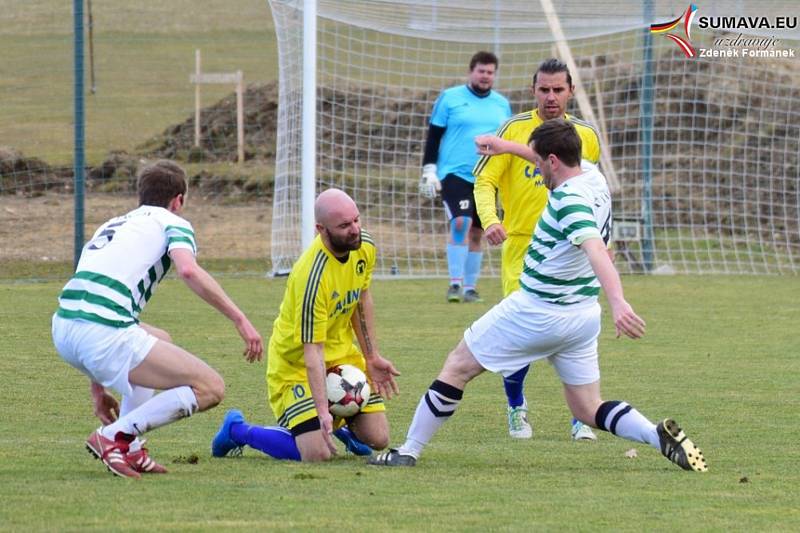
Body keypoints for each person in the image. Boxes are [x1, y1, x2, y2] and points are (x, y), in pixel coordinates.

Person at [369, 119, 708, 473]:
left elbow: (595, 249)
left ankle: (407, 451)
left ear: (553, 161)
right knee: (588, 408)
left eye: (540, 163)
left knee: (457, 367)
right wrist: (505, 148)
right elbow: (540, 157)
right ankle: (658, 436)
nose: (536, 170)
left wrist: (620, 301)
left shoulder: (568, 201)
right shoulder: (592, 176)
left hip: (536, 311)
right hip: (581, 316)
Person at [51, 160, 264, 479]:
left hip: (64, 327)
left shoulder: (111, 224)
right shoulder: (172, 222)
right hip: (102, 332)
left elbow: (91, 297)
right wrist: (240, 319)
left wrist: (98, 392)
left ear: (141, 195)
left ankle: (131, 446)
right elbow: (188, 269)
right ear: (178, 200)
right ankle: (116, 436)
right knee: (211, 388)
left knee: (159, 338)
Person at [211, 188, 400, 462]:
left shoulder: (364, 246)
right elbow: (313, 352)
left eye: (356, 220)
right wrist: (323, 411)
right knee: (316, 454)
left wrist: (371, 357)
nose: (355, 230)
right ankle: (238, 430)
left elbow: (361, 299)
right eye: (345, 225)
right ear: (321, 229)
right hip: (296, 366)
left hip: (342, 357)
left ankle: (340, 430)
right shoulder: (312, 276)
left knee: (378, 438)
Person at [473, 58, 601, 441]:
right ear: (533, 91)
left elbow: (594, 192)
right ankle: (516, 409)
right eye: (543, 90)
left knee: (574, 331)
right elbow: (484, 182)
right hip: (522, 247)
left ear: (570, 91)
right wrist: (491, 220)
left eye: (558, 90)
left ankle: (581, 418)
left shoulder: (585, 136)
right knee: (520, 333)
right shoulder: (513, 129)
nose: (550, 97)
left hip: (572, 248)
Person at [419, 51, 512, 303]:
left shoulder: (502, 105)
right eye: (481, 71)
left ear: (494, 75)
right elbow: (434, 135)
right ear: (471, 71)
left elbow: (506, 142)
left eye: (490, 72)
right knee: (461, 222)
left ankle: (470, 288)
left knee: (477, 233)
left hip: (487, 176)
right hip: (455, 173)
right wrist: (429, 169)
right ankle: (454, 284)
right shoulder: (450, 98)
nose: (485, 76)